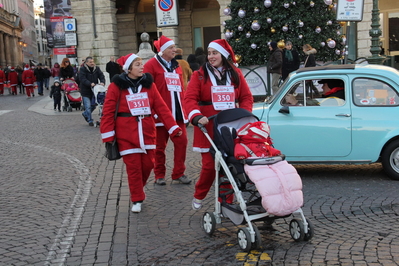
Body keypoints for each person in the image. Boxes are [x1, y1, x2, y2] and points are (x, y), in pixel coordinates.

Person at [100, 53, 183, 213]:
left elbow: (161, 107)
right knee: (134, 168)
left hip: (147, 131)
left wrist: (173, 127)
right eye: (137, 64)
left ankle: (138, 187)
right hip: (126, 133)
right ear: (128, 69)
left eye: (141, 64)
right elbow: (108, 111)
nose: (141, 67)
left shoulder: (149, 85)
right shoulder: (116, 86)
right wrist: (108, 134)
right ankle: (137, 198)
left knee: (148, 165)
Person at [184, 39, 253, 210]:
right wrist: (196, 116)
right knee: (209, 166)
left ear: (223, 55)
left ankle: (226, 203)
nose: (211, 56)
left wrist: (244, 115)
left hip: (231, 126)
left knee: (229, 165)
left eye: (214, 53)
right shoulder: (199, 75)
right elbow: (189, 98)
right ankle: (199, 194)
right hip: (207, 126)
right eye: (209, 53)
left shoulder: (236, 73)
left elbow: (246, 97)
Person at [143, 35, 191, 185]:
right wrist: (153, 110)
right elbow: (146, 90)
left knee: (182, 143)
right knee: (159, 147)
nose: (174, 50)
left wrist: (184, 109)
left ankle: (178, 173)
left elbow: (181, 89)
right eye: (171, 48)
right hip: (159, 115)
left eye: (174, 47)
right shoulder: (151, 65)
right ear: (163, 50)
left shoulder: (176, 65)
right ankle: (159, 175)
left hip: (177, 113)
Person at [79, 56, 105, 126]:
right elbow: (82, 79)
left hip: (94, 90)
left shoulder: (96, 68)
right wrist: (89, 83)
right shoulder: (82, 69)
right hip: (85, 91)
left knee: (93, 105)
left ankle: (85, 114)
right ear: (86, 63)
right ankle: (90, 120)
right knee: (88, 106)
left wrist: (102, 82)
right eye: (90, 62)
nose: (92, 63)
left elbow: (101, 76)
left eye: (93, 62)